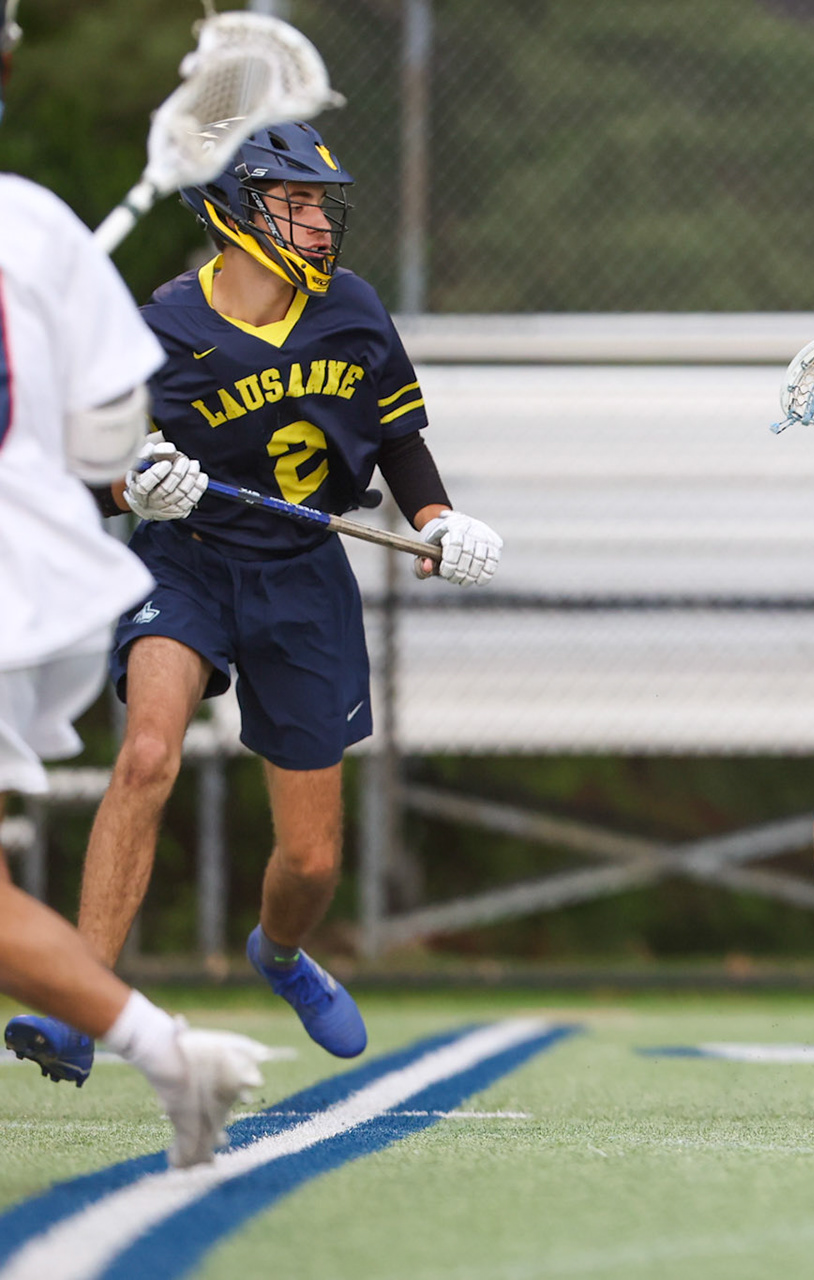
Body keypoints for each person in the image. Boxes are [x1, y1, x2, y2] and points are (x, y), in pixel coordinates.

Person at [6, 119, 503, 1085]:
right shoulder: (157, 331)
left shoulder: (353, 311)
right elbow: (90, 463)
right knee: (148, 753)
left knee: (312, 862)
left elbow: (398, 441)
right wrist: (131, 491)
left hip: (304, 572)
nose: (321, 223)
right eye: (299, 202)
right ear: (234, 210)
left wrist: (440, 520)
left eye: (324, 205)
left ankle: (277, 954)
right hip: (184, 561)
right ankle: (80, 1001)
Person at [0, 0, 268, 1166]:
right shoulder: (34, 225)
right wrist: (123, 475)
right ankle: (172, 1053)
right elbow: (108, 434)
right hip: (32, 579)